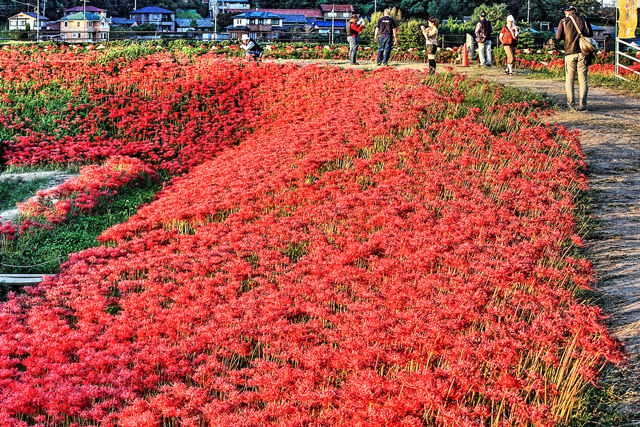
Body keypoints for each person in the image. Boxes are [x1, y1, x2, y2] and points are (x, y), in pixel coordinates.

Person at [556, 5, 593, 111]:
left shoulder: (564, 21)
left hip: (569, 53)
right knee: (583, 79)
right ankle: (583, 105)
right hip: (583, 52)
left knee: (570, 79)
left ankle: (571, 104)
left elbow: (558, 37)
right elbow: (590, 34)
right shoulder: (584, 19)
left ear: (567, 12)